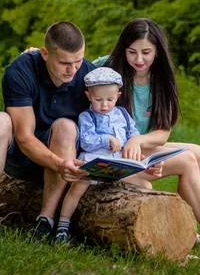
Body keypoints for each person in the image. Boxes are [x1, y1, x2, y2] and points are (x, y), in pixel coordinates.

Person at [97, 18, 200, 250]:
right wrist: (35, 57)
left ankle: (185, 226)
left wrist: (138, 139)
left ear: (158, 51)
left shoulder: (162, 79)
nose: (138, 59)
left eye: (146, 52)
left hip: (137, 148)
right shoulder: (108, 69)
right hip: (115, 154)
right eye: (132, 52)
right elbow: (72, 65)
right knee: (187, 159)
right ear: (124, 49)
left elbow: (162, 133)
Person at [0, 21, 94, 241]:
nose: (73, 70)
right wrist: (57, 163)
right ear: (45, 53)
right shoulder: (20, 70)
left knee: (66, 126)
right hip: (21, 157)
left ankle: (44, 223)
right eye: (65, 63)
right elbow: (24, 137)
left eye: (78, 61)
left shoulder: (89, 76)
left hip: (64, 160)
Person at [54, 67, 145, 244]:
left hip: (119, 165)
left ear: (117, 96)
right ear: (89, 96)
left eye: (110, 100)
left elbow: (133, 134)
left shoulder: (124, 115)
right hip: (94, 164)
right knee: (78, 186)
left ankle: (139, 223)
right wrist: (106, 139)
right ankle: (62, 227)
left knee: (144, 183)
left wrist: (136, 147)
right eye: (98, 100)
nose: (104, 105)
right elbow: (86, 141)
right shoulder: (87, 116)